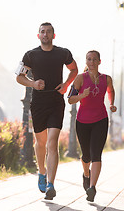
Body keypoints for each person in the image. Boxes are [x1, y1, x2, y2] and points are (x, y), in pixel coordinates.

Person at [16, 22, 78, 200]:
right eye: (42, 32)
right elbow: (19, 77)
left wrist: (66, 84)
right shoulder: (30, 55)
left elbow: (74, 69)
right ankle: (41, 171)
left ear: (53, 35)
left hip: (56, 102)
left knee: (52, 143)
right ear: (38, 36)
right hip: (38, 103)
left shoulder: (63, 53)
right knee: (40, 142)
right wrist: (33, 84)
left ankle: (51, 183)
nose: (45, 34)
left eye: (48, 32)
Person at [67, 50, 117, 202]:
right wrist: (82, 95)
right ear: (86, 62)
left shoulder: (106, 79)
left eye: (95, 59)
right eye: (89, 59)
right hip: (82, 121)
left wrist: (112, 104)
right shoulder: (80, 78)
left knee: (96, 154)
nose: (92, 62)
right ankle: (86, 175)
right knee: (86, 155)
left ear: (99, 62)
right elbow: (70, 99)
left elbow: (111, 90)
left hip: (100, 120)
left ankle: (92, 188)